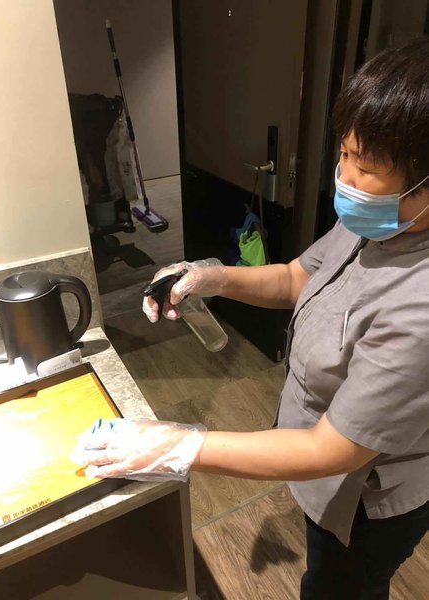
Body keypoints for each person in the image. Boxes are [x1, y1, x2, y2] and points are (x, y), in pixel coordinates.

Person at [72, 37, 429, 599]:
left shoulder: (420, 307)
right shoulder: (375, 224)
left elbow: (330, 451)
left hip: (366, 493)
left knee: (341, 585)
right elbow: (295, 277)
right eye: (343, 155)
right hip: (318, 458)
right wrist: (211, 277)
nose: (344, 178)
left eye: (366, 168)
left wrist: (178, 446)